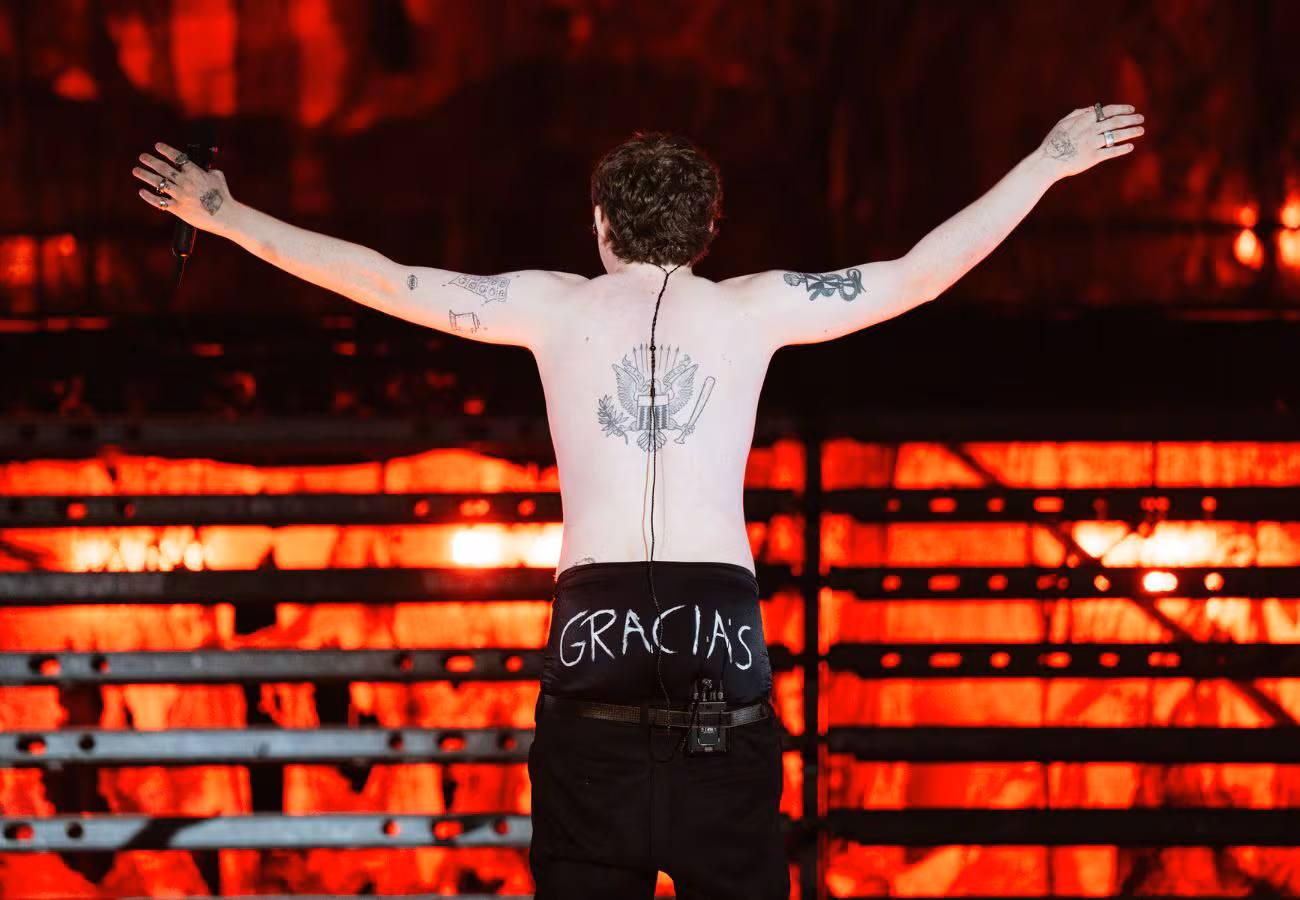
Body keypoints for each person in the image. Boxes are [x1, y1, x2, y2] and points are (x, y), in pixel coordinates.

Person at [132, 102, 1144, 899]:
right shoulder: (754, 307)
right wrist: (1045, 162)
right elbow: (918, 275)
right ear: (707, 230)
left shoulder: (551, 304)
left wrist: (223, 215)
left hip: (594, 636)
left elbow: (387, 281)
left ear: (601, 224)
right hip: (720, 635)